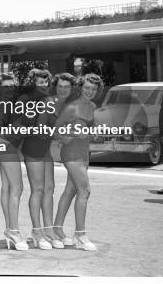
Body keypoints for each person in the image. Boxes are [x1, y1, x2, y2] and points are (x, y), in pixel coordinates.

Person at [52, 73, 104, 251]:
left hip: (84, 153)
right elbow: (54, 131)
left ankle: (57, 228)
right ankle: (80, 235)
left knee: (70, 190)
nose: (90, 91)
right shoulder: (72, 108)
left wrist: (95, 133)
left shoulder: (92, 106)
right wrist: (68, 136)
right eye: (87, 87)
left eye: (93, 89)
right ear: (81, 87)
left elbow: (91, 128)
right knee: (85, 191)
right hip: (71, 153)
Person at [38, 72, 77, 248]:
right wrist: (59, 136)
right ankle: (47, 229)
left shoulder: (73, 105)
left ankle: (58, 227)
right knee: (47, 188)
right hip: (43, 148)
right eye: (60, 86)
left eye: (67, 86)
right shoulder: (48, 102)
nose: (63, 89)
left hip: (71, 150)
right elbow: (41, 127)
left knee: (72, 188)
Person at [0, 74, 29, 251]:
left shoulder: (9, 104)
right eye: (5, 86)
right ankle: (14, 231)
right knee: (17, 187)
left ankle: (9, 230)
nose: (10, 89)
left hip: (9, 146)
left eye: (12, 86)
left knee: (7, 187)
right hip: (6, 146)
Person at [18, 68, 53, 250]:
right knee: (37, 189)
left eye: (46, 82)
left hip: (46, 148)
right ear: (33, 84)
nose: (44, 85)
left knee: (49, 188)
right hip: (33, 147)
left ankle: (49, 230)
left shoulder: (48, 99)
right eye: (40, 82)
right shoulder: (26, 100)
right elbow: (27, 126)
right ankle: (37, 231)